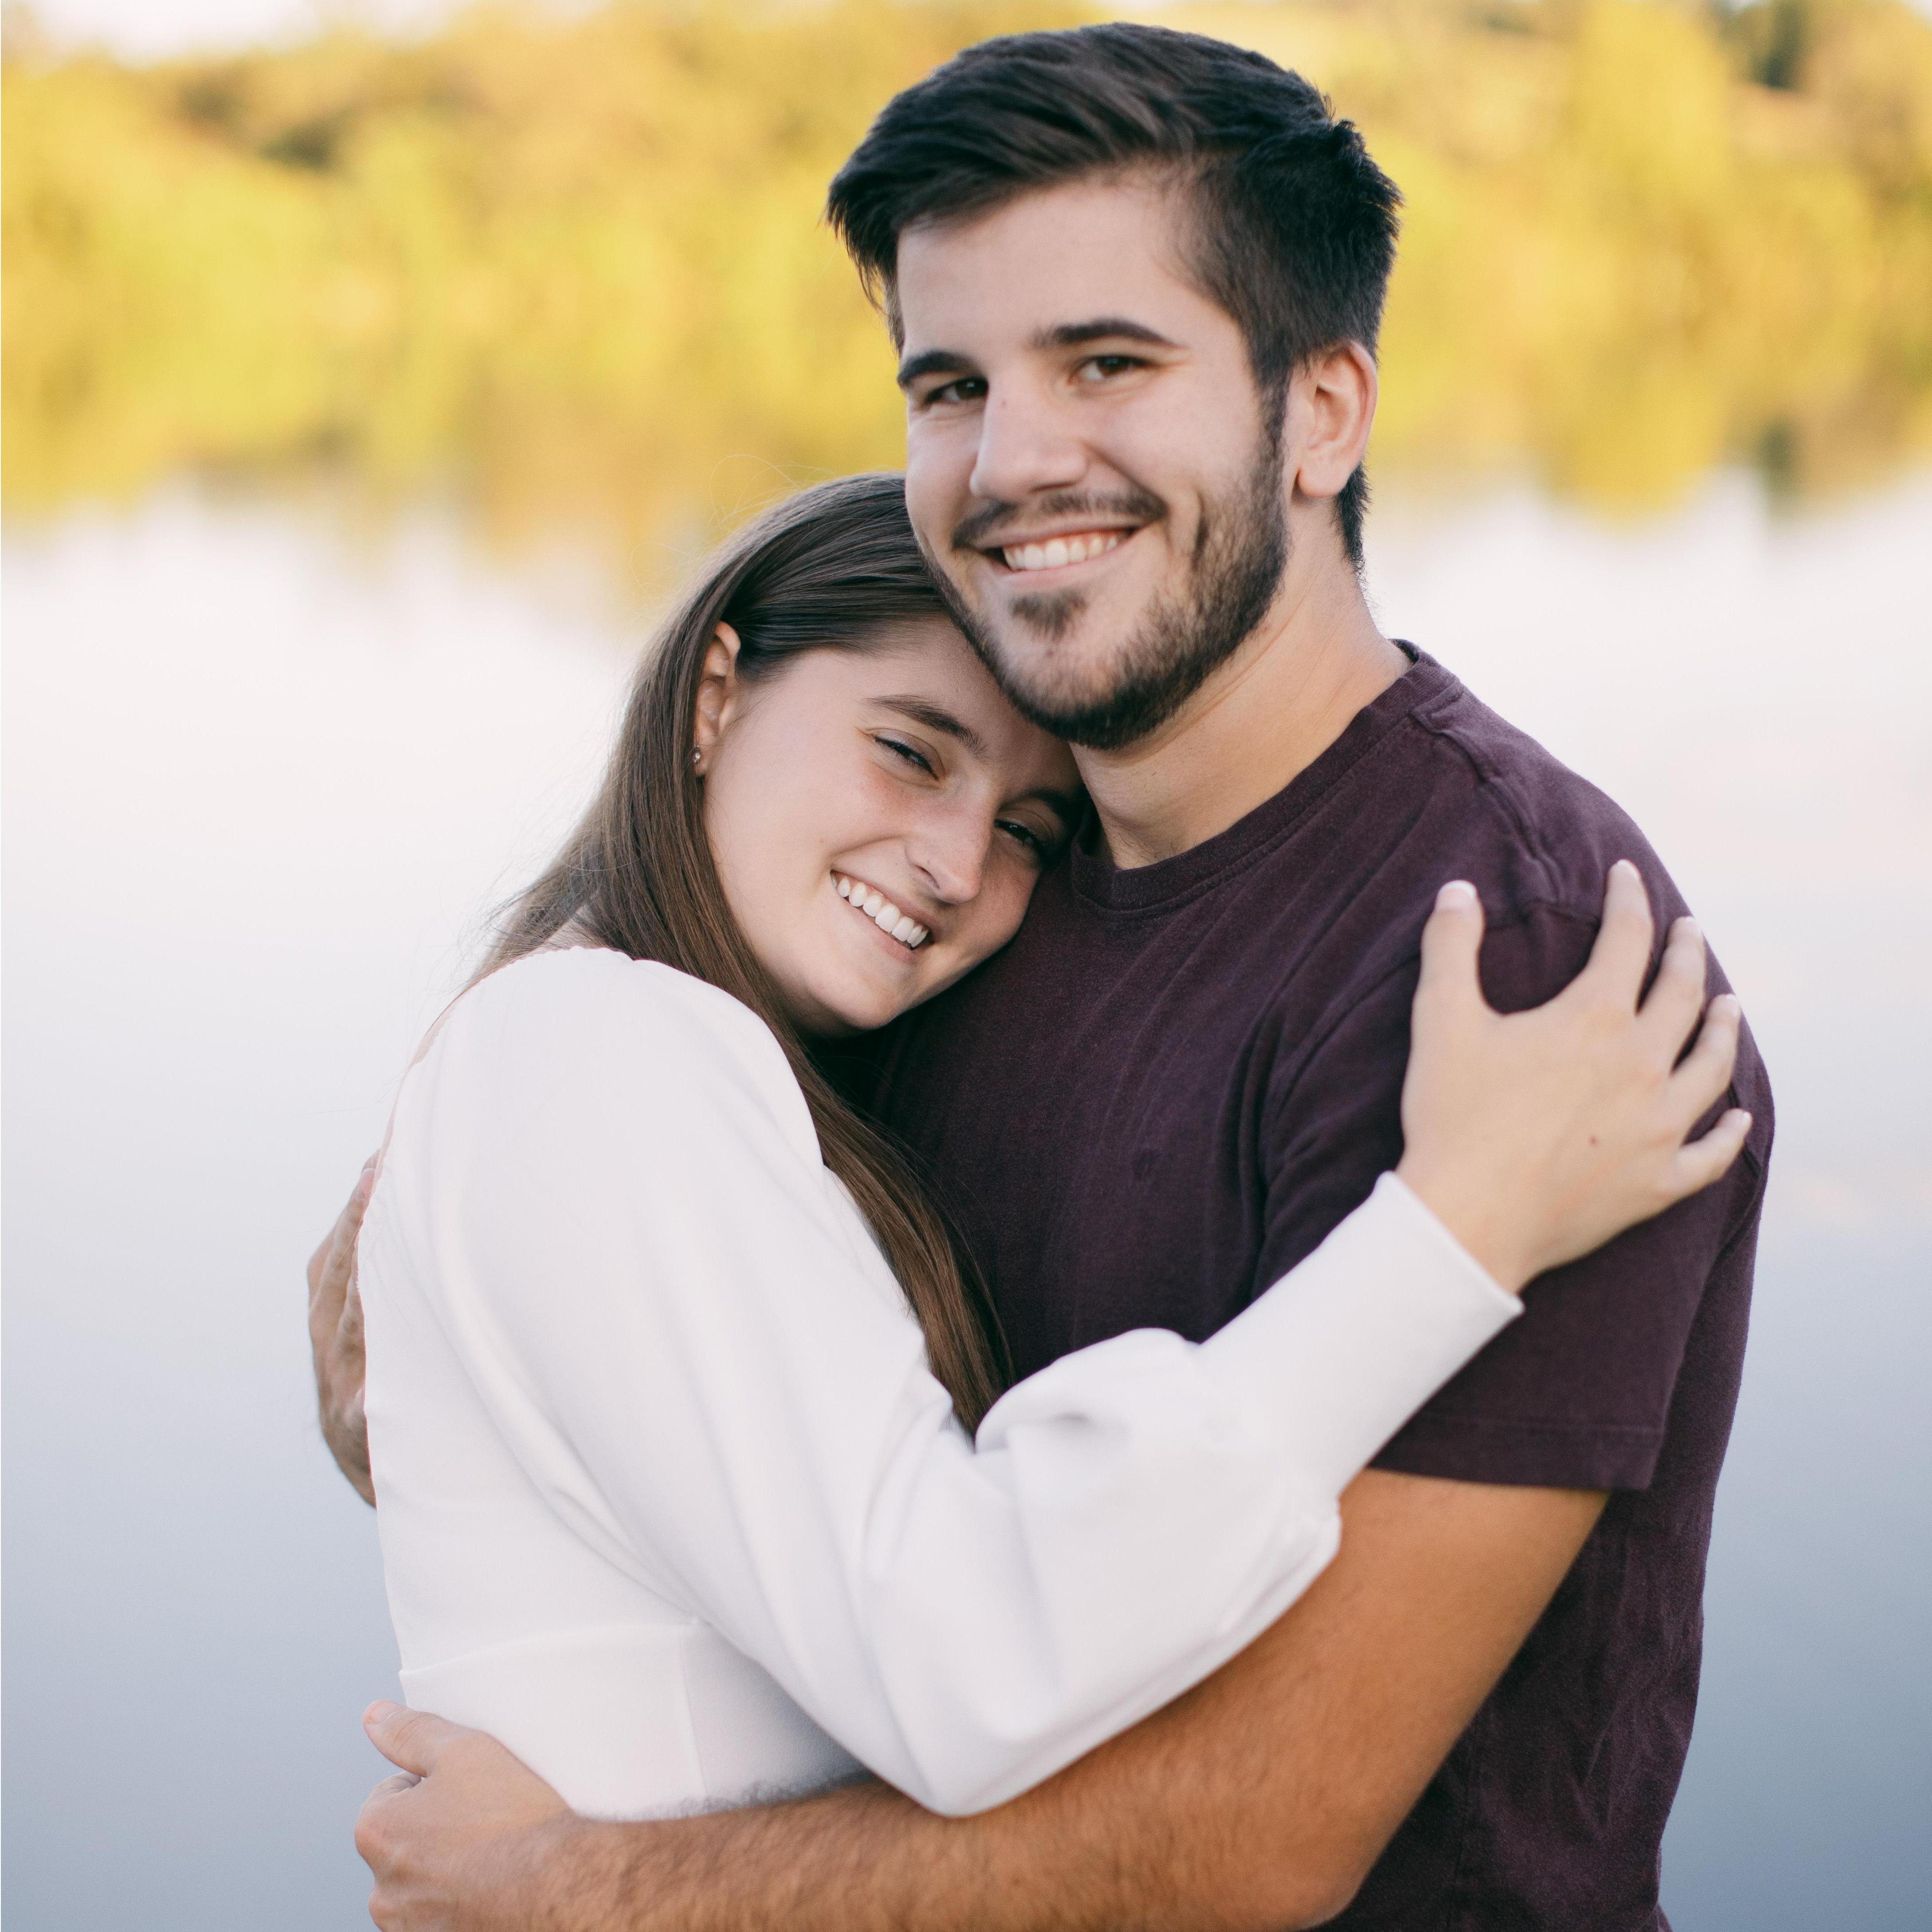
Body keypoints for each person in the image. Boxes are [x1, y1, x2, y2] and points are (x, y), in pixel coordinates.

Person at [319, 22, 1774, 1932]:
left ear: (1322, 410)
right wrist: (432, 1220)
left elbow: (1245, 1845)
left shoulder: (1518, 968)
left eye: (1107, 363)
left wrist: (589, 1887)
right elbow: (456, 1359)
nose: (1012, 462)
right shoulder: (938, 924)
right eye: (948, 383)